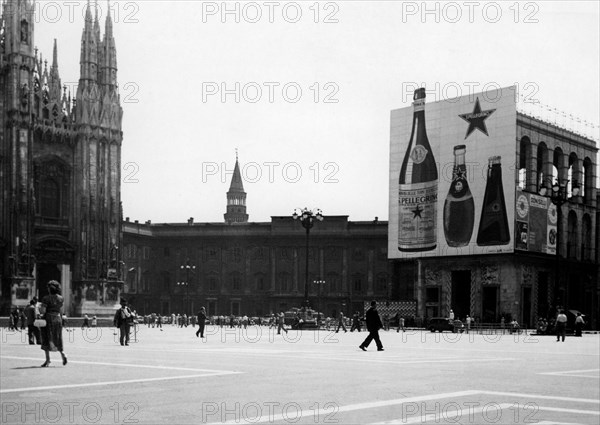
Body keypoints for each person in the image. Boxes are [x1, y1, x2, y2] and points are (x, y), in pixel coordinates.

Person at [39, 280, 67, 367]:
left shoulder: (46, 298)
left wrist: (40, 308)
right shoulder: (61, 298)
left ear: (49, 289)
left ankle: (48, 360)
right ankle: (63, 354)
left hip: (48, 319)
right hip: (58, 319)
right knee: (58, 337)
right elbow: (61, 311)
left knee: (46, 338)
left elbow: (43, 311)